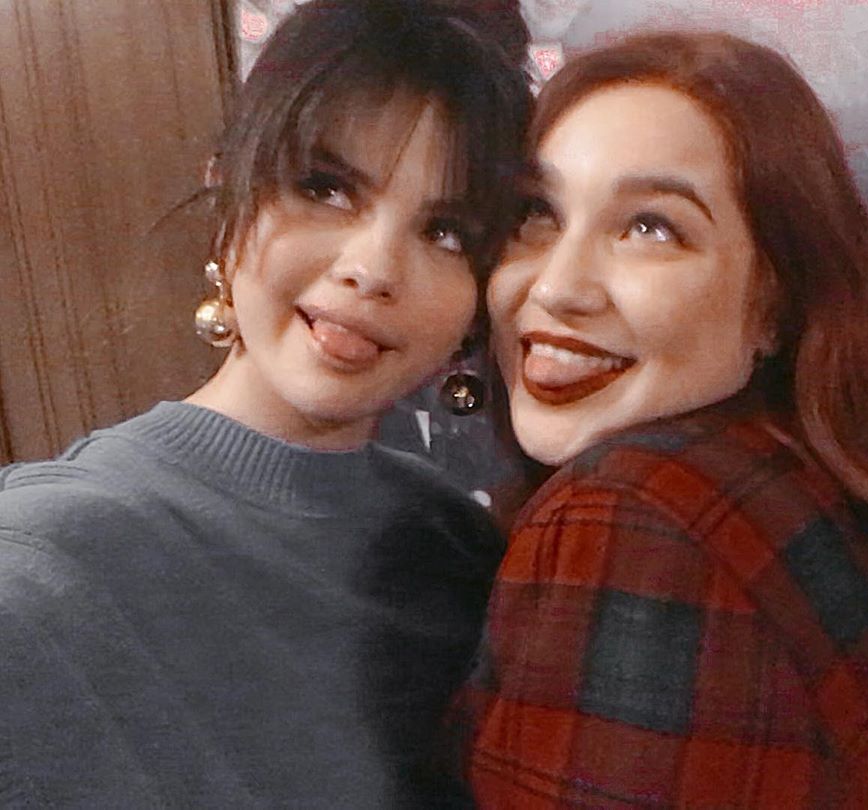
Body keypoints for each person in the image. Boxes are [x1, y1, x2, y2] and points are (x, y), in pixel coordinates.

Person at [0, 1, 529, 806]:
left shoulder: (461, 552)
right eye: (327, 188)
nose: (373, 268)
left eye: (447, 232)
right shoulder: (51, 562)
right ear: (229, 197)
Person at [457, 31, 868, 806]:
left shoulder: (634, 517)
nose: (557, 286)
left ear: (774, 304)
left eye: (651, 227)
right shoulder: (796, 474)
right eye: (537, 213)